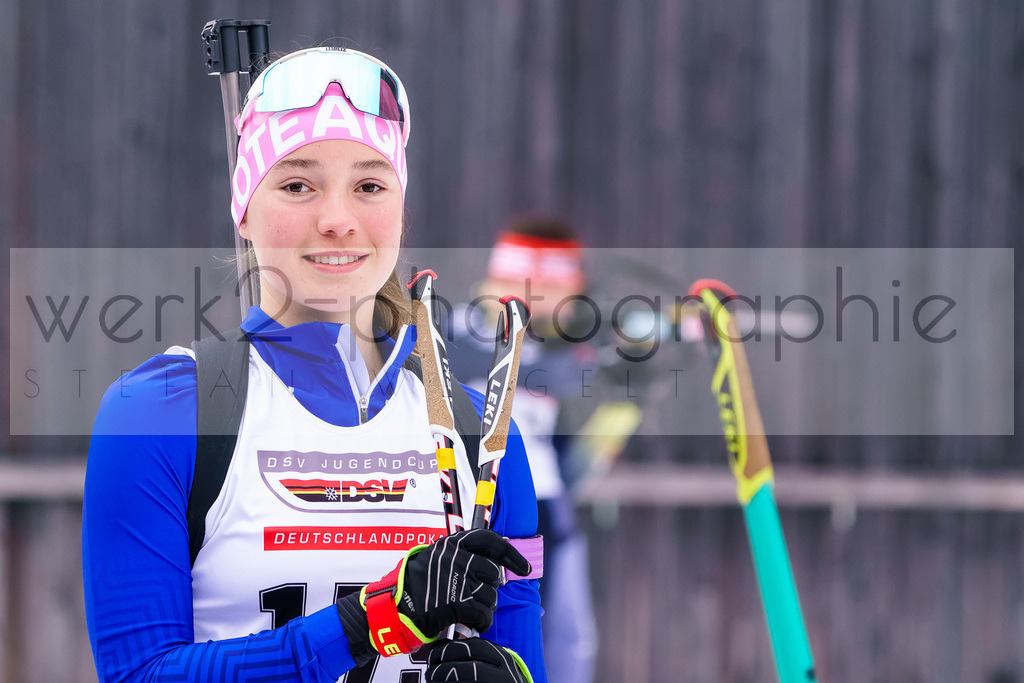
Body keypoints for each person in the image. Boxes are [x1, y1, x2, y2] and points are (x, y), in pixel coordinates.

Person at [82, 46, 544, 683]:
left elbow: (524, 655)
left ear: (400, 207)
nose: (336, 221)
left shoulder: (482, 434)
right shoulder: (160, 413)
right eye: (297, 185)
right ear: (245, 207)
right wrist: (369, 623)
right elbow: (137, 674)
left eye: (369, 186)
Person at [448, 218, 598, 683]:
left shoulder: (566, 348)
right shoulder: (455, 336)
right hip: (468, 501)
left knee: (557, 638)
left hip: (546, 509)